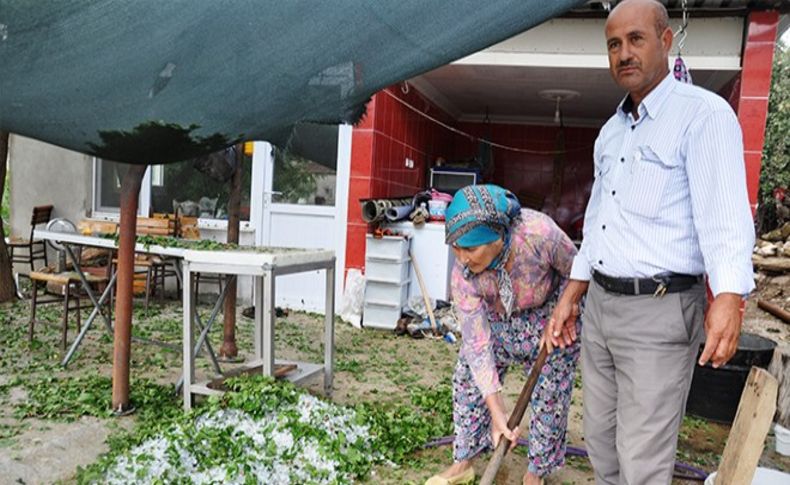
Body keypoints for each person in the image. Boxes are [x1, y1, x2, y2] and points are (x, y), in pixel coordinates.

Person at [544, 1, 755, 484]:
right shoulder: (610, 133)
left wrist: (729, 297)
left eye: (635, 39)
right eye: (614, 44)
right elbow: (598, 220)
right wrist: (573, 293)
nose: (624, 53)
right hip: (600, 309)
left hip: (659, 313)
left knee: (642, 458)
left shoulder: (702, 116)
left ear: (665, 41)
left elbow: (724, 214)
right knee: (600, 441)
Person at [426, 184, 581, 485]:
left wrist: (565, 310)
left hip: (549, 316)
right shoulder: (463, 274)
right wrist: (497, 412)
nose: (461, 258)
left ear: (497, 235)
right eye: (455, 247)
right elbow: (476, 343)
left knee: (550, 389)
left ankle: (536, 473)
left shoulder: (539, 235)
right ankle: (464, 462)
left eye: (470, 248)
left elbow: (577, 271)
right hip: (498, 320)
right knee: (468, 376)